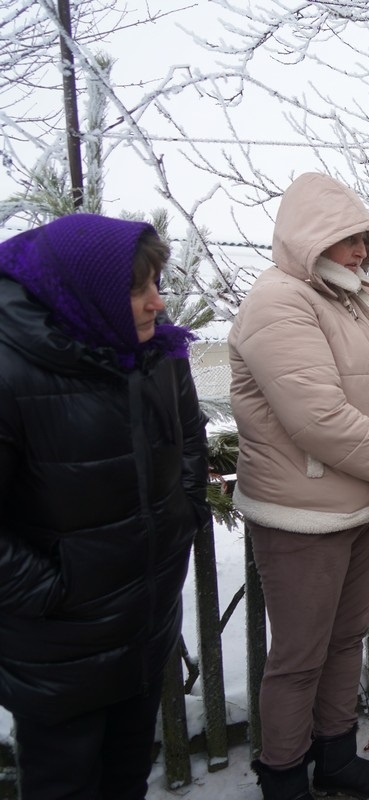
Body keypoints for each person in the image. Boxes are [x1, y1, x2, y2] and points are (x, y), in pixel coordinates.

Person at [230, 172, 369, 800]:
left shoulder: (356, 298)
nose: (362, 253)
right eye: (351, 241)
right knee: (299, 657)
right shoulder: (278, 300)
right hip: (301, 512)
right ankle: (283, 776)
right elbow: (315, 416)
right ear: (311, 237)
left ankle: (335, 756)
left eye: (365, 242)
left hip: (362, 502)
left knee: (346, 640)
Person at [0, 214, 208, 798]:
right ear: (84, 295)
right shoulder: (11, 367)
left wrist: (184, 514)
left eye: (157, 284)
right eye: (137, 289)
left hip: (143, 624)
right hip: (59, 650)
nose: (156, 303)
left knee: (126, 779)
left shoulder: (157, 352)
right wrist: (53, 591)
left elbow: (190, 434)